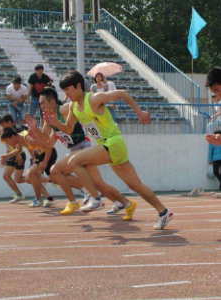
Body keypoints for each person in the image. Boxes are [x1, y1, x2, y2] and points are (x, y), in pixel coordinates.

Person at [44, 71, 173, 230]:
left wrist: (139, 113)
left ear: (78, 86)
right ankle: (164, 212)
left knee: (74, 162)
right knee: (136, 185)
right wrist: (56, 122)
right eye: (64, 91)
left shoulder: (93, 98)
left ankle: (95, 198)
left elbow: (122, 93)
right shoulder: (73, 107)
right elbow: (69, 129)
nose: (67, 94)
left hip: (113, 143)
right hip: (108, 146)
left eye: (68, 90)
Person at [29, 87, 134, 216]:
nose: (40, 106)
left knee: (55, 171)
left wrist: (88, 99)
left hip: (83, 147)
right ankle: (124, 202)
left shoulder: (64, 109)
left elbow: (78, 104)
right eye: (39, 103)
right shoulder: (47, 119)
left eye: (42, 102)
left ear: (52, 102)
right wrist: (35, 130)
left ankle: (76, 199)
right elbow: (46, 139)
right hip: (74, 150)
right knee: (98, 183)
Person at [0, 127, 57, 208]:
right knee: (29, 178)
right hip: (41, 156)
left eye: (7, 141)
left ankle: (40, 198)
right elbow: (18, 150)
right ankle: (48, 193)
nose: (7, 143)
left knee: (31, 174)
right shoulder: (19, 140)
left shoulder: (28, 139)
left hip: (48, 154)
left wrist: (44, 162)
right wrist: (7, 156)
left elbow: (48, 147)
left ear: (12, 137)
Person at [0, 115, 26, 203]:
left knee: (19, 179)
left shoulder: (2, 131)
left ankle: (38, 179)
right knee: (6, 176)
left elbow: (14, 141)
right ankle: (19, 194)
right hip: (12, 155)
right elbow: (8, 145)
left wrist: (17, 155)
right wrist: (6, 156)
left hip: (18, 155)